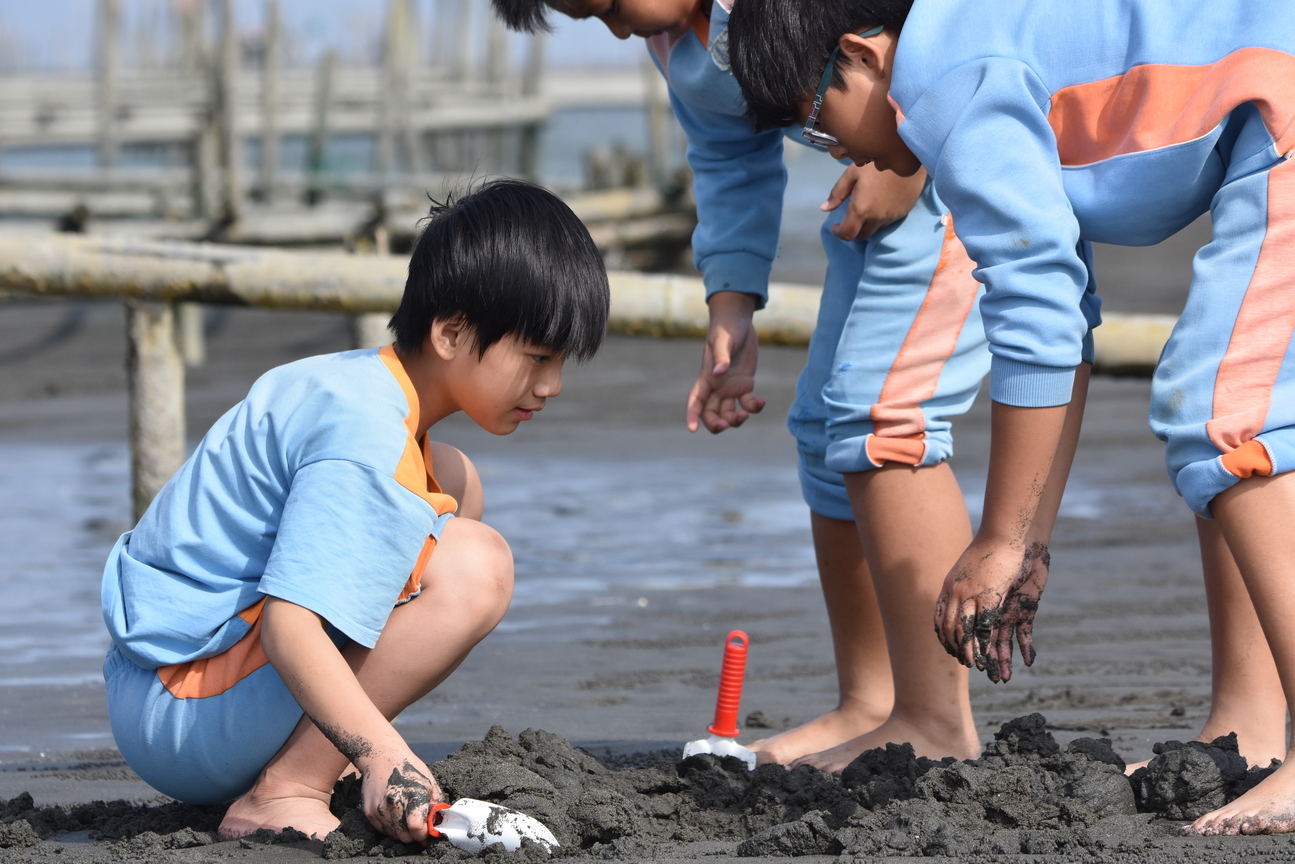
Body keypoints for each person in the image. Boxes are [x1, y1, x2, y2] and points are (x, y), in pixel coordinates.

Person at [725, 0, 1295, 834]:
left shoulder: (942, 77)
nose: (836, 151)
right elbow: (1062, 323)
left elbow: (1038, 313)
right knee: (1227, 406)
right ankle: (1253, 734)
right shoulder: (990, 47)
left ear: (859, 52)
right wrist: (1025, 538)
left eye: (815, 122)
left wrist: (997, 541)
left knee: (1226, 412)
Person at [492, 0, 992, 770]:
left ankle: (936, 721)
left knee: (885, 416)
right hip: (871, 205)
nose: (620, 30)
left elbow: (932, 25)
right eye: (595, 22)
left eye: (613, 8)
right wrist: (731, 304)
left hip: (956, 178)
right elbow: (728, 157)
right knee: (826, 433)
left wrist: (914, 150)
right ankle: (870, 701)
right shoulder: (673, 41)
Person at [99, 179, 610, 842]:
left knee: (455, 487)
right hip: (179, 709)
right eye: (537, 357)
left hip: (160, 682)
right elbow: (290, 626)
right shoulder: (367, 437)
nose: (552, 385)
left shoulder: (364, 385)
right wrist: (379, 752)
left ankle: (315, 748)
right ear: (451, 332)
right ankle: (286, 790)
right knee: (477, 567)